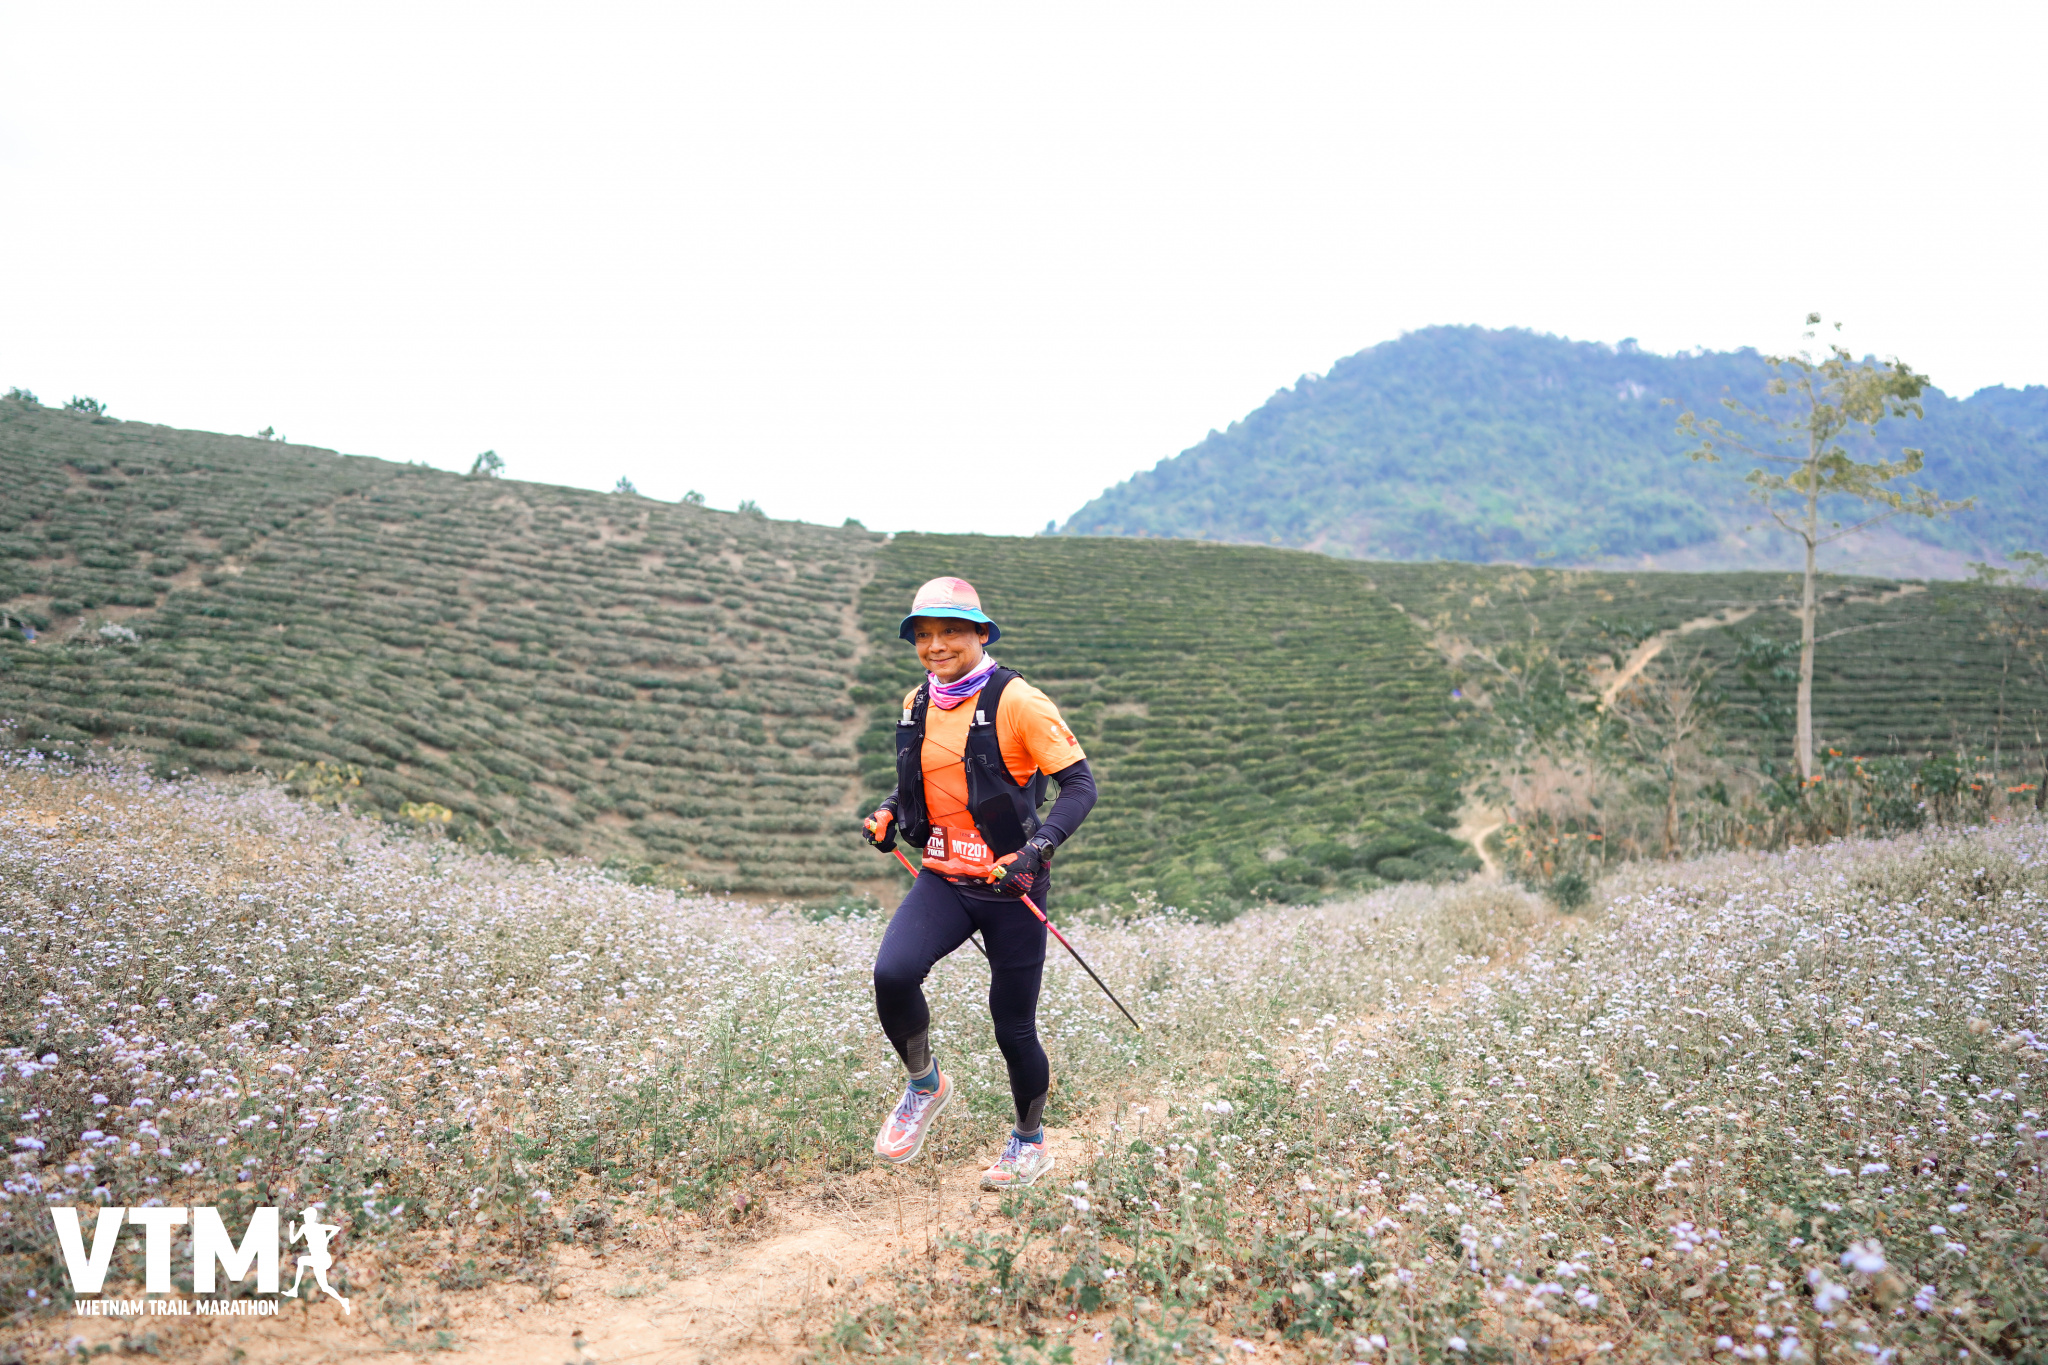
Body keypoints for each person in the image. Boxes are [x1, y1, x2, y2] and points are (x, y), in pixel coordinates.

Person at [862, 576, 1097, 1189]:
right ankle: (924, 1085)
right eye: (923, 635)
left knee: (1012, 1027)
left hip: (1010, 886)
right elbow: (926, 779)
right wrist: (889, 811)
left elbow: (1080, 786)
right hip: (944, 875)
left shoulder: (1020, 702)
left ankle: (1029, 1143)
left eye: (951, 632)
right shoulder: (918, 702)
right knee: (892, 974)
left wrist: (1036, 850)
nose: (936, 645)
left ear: (980, 635)